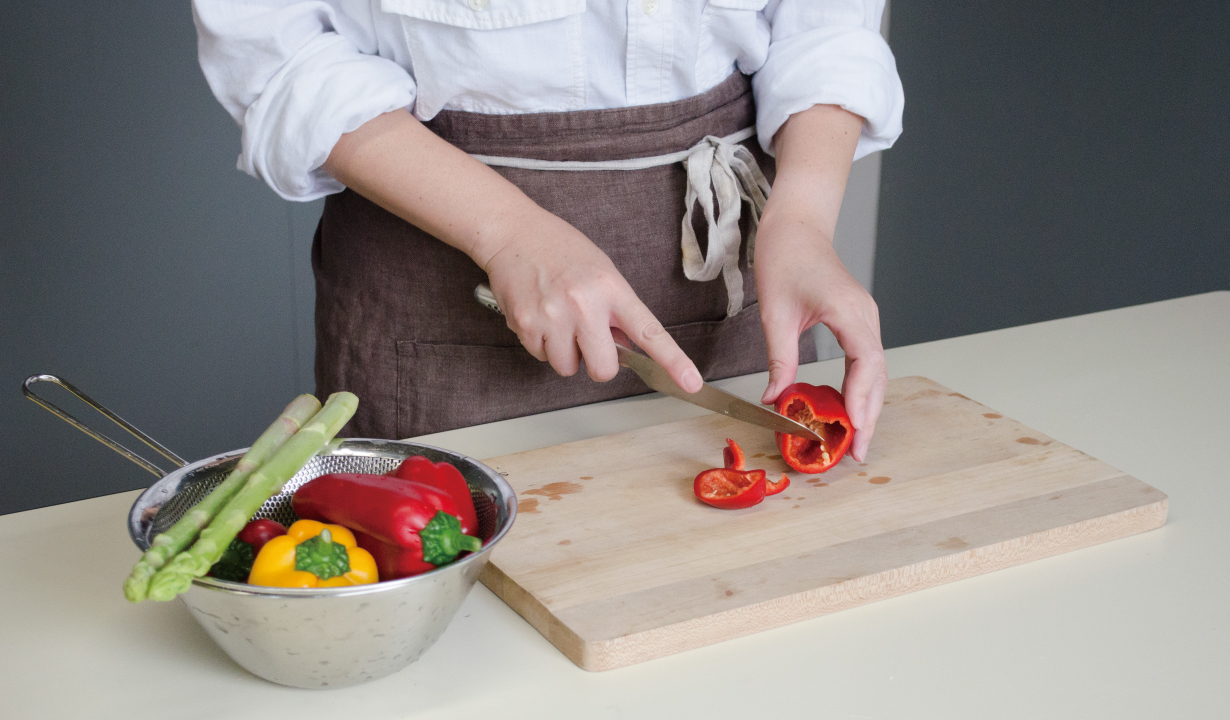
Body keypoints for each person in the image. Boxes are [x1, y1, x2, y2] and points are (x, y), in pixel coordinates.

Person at [193, 0, 903, 461]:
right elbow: (275, 53)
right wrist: (506, 234)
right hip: (442, 297)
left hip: (732, 294)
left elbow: (830, 27)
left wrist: (804, 217)